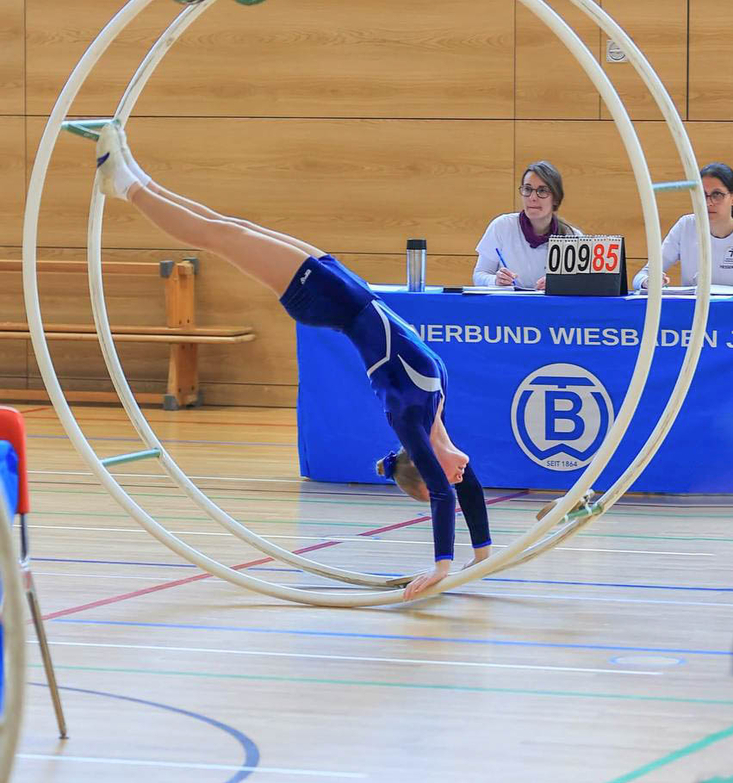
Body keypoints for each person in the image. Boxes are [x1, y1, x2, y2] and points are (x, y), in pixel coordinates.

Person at [94, 122, 491, 601]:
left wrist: (443, 566)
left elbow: (447, 494)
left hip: (327, 300)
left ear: (427, 482)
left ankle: (127, 186)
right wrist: (483, 555)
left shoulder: (411, 419)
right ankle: (131, 175)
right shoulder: (438, 413)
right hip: (344, 286)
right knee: (228, 226)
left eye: (444, 478)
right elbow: (461, 489)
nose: (465, 474)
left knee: (216, 236)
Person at [473, 160, 580, 291]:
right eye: (528, 189)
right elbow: (479, 275)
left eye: (542, 191)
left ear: (556, 198)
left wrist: (560, 285)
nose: (532, 197)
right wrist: (495, 280)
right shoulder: (502, 226)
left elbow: (580, 286)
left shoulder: (573, 237)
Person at [633, 162, 733, 290]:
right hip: (694, 309)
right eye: (702, 195)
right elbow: (641, 276)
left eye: (717, 194)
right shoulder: (686, 226)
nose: (709, 202)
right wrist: (648, 282)